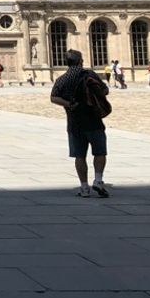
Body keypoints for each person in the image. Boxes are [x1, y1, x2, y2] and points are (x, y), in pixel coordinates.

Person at [50, 49, 110, 198]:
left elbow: (53, 98)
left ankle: (84, 187)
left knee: (79, 156)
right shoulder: (89, 74)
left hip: (75, 122)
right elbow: (105, 90)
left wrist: (69, 104)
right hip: (94, 119)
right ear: (80, 61)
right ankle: (98, 180)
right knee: (100, 152)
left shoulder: (63, 79)